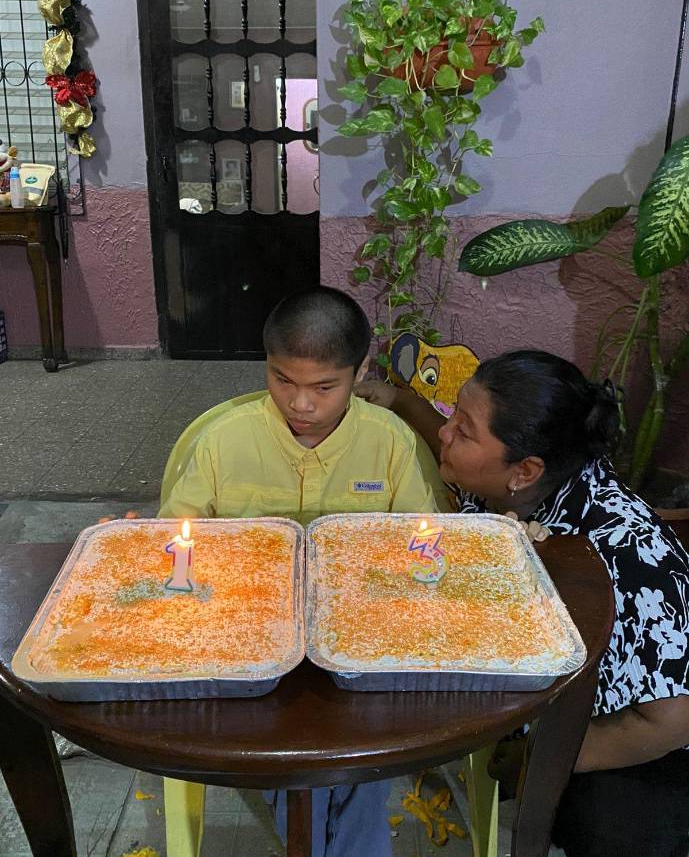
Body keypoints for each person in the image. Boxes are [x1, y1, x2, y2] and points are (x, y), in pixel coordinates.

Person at [356, 349, 689, 857]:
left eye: (464, 430)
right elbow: (439, 433)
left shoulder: (627, 556)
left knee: (600, 826)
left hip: (638, 745)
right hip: (561, 699)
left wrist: (540, 756)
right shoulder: (506, 483)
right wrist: (402, 401)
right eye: (455, 417)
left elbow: (672, 719)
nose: (446, 433)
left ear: (524, 470)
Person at [160, 284, 439, 857]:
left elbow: (423, 544)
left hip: (357, 644)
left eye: (324, 387)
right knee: (292, 758)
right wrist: (149, 543)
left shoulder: (389, 444)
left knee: (364, 753)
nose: (301, 404)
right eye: (282, 380)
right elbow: (175, 540)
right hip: (250, 643)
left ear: (360, 371)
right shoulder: (224, 443)